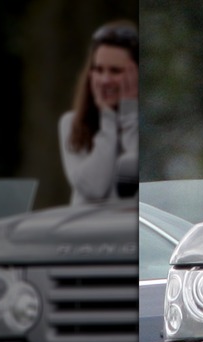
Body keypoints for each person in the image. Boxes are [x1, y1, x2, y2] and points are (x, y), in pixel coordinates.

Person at [59, 19, 139, 205]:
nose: (105, 80)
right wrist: (108, 120)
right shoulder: (71, 123)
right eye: (98, 69)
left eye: (115, 71)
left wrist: (129, 115)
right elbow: (94, 188)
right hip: (90, 231)